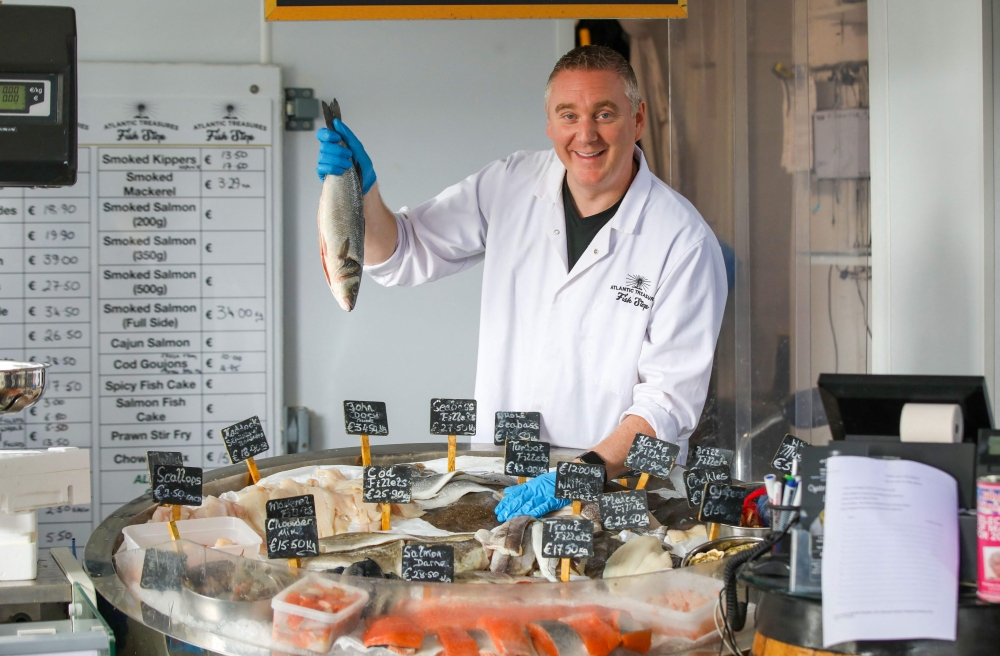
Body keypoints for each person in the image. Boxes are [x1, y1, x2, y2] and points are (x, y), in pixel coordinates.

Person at [316, 46, 727, 521]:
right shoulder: (510, 184)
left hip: (612, 494)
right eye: (568, 115)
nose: (585, 134)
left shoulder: (683, 240)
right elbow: (402, 251)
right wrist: (361, 193)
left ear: (637, 120)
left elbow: (668, 403)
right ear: (549, 123)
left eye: (605, 113)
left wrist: (577, 474)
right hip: (498, 480)